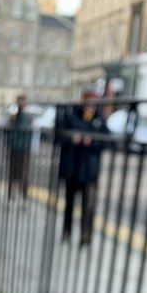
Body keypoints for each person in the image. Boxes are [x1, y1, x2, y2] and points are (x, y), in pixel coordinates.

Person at [58, 88, 110, 245]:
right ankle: (66, 232)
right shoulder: (72, 116)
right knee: (70, 203)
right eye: (87, 102)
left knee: (88, 206)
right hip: (72, 167)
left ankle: (85, 236)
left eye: (93, 103)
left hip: (89, 170)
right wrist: (71, 139)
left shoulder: (100, 119)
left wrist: (93, 141)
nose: (90, 106)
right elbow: (59, 135)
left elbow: (106, 140)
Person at [7, 94, 33, 202]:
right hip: (16, 146)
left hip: (24, 147)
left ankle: (23, 197)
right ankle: (12, 196)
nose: (22, 104)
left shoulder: (28, 117)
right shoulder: (15, 116)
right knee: (14, 172)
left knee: (23, 173)